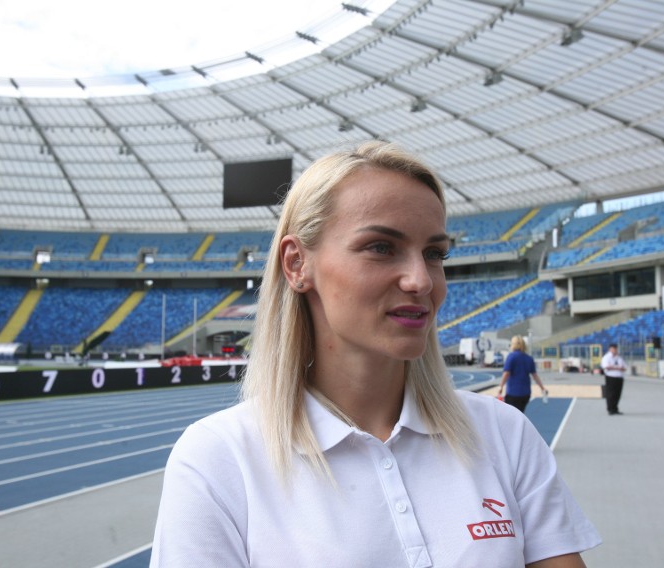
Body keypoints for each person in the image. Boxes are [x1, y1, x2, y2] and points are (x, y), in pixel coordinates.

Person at [150, 142, 600, 567]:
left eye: (435, 253)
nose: (421, 281)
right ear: (296, 264)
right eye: (381, 248)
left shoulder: (505, 435)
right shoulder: (218, 458)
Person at [498, 335, 547, 413]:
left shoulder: (511, 357)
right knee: (520, 413)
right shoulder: (529, 358)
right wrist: (542, 388)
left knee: (511, 416)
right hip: (525, 393)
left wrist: (500, 387)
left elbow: (506, 373)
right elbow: (535, 376)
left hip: (513, 392)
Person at [600, 343, 627, 415]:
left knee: (617, 394)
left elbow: (624, 367)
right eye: (613, 349)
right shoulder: (606, 357)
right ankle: (610, 408)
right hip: (611, 377)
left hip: (619, 377)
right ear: (610, 349)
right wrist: (617, 368)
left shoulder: (619, 357)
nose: (615, 350)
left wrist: (616, 368)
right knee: (611, 393)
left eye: (615, 349)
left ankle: (615, 408)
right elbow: (606, 367)